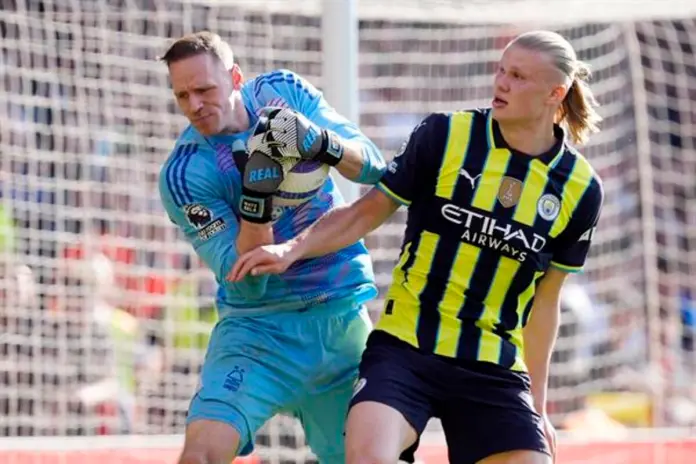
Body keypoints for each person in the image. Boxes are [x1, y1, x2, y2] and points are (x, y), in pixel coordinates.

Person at [229, 30, 605, 464]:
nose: (501, 83)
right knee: (368, 457)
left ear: (554, 93)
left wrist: (538, 407)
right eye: (501, 70)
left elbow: (545, 303)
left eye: (518, 76)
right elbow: (364, 212)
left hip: (493, 368)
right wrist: (290, 249)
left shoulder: (580, 189)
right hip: (405, 350)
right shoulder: (444, 135)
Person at [157, 31, 385, 464]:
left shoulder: (284, 93)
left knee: (379, 458)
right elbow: (247, 286)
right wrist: (257, 200)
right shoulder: (185, 174)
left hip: (341, 325)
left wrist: (321, 143)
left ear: (235, 76)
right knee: (201, 453)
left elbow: (374, 167)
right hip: (259, 334)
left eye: (204, 89)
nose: (194, 105)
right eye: (182, 95)